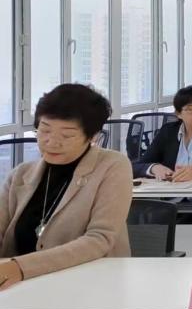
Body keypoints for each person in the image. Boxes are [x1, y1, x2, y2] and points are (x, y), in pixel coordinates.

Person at [0, 84, 131, 289]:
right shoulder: (20, 175)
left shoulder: (113, 166)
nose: (52, 142)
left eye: (67, 135)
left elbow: (99, 239)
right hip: (19, 288)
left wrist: (21, 267)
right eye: (44, 130)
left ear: (92, 136)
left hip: (90, 287)